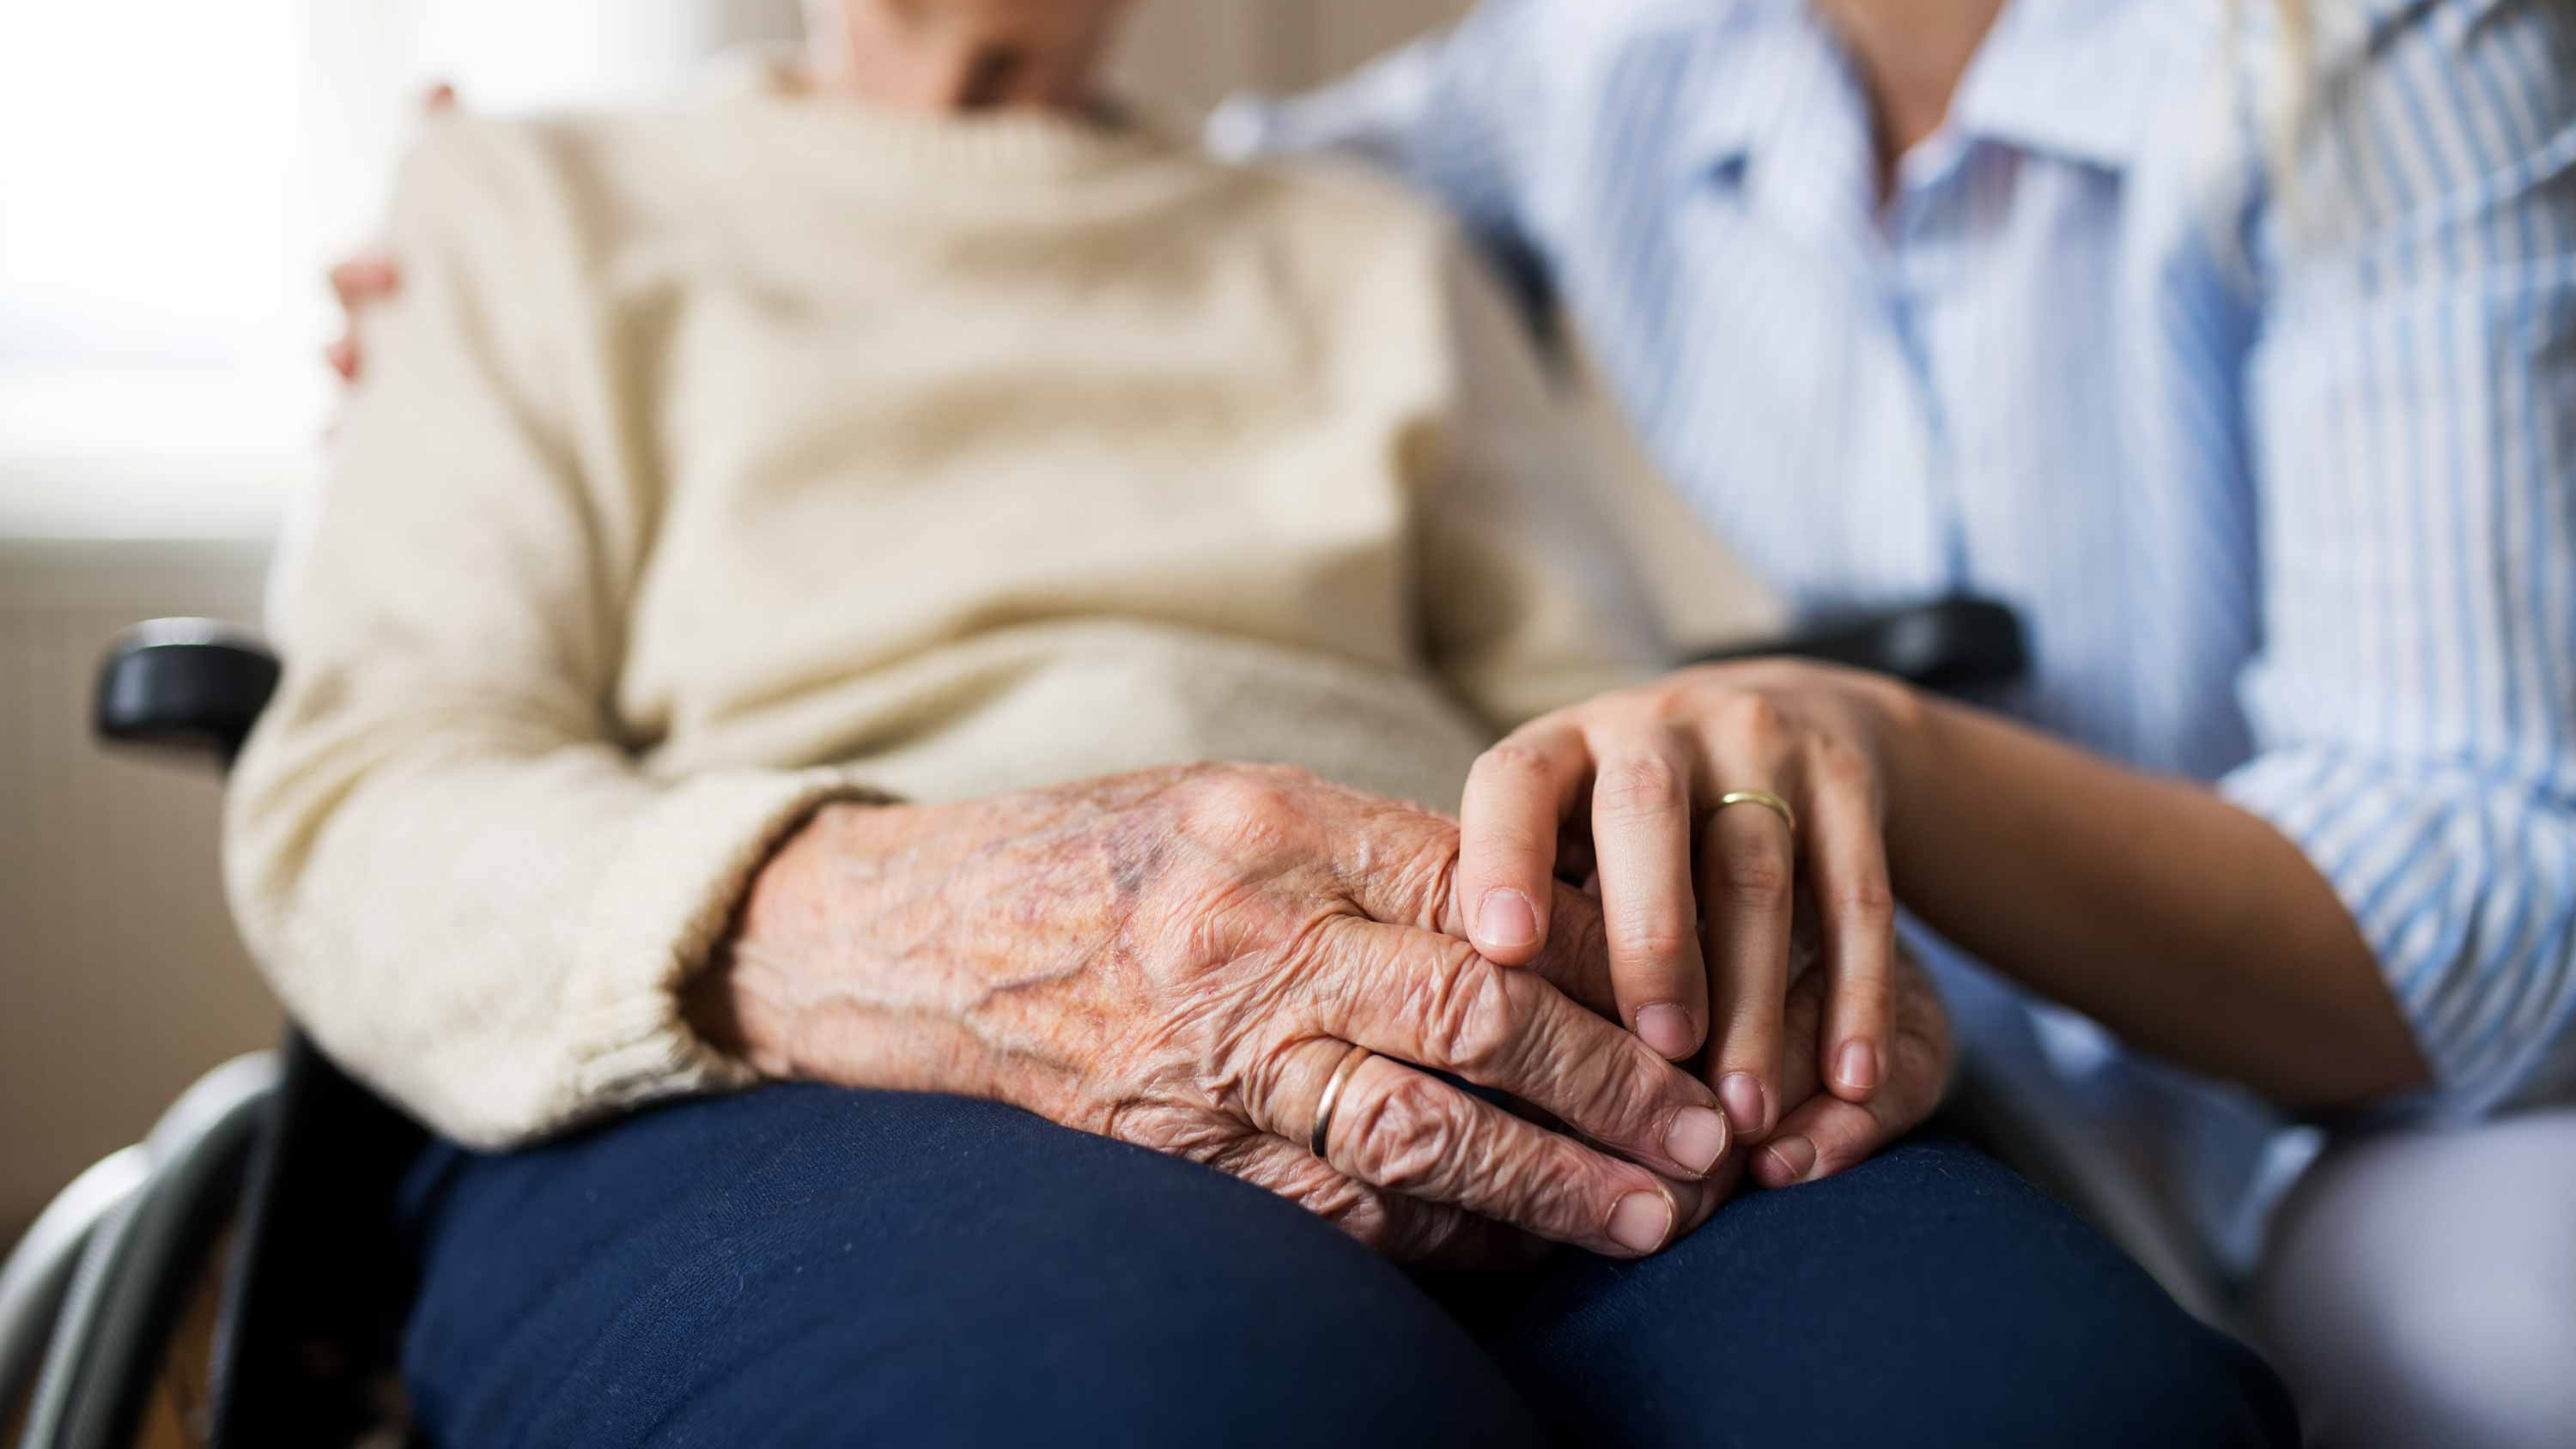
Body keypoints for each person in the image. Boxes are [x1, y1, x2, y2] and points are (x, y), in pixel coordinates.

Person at [245, 0, 2294, 1445]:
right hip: (815, 1049)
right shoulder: (529, 206)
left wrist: (1752, 917)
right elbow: (363, 796)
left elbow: (1588, 716)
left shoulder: (1369, 248)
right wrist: (938, 930)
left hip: (1479, 1008)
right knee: (1191, 1409)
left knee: (2059, 1402)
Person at [1200, 1, 2576, 1444]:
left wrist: (1880, 751)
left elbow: (2495, 889)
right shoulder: (1610, 52)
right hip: (1951, 1062)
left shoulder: (2382, 49)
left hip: (2399, 1104)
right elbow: (1189, 197)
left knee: (2490, 1350)